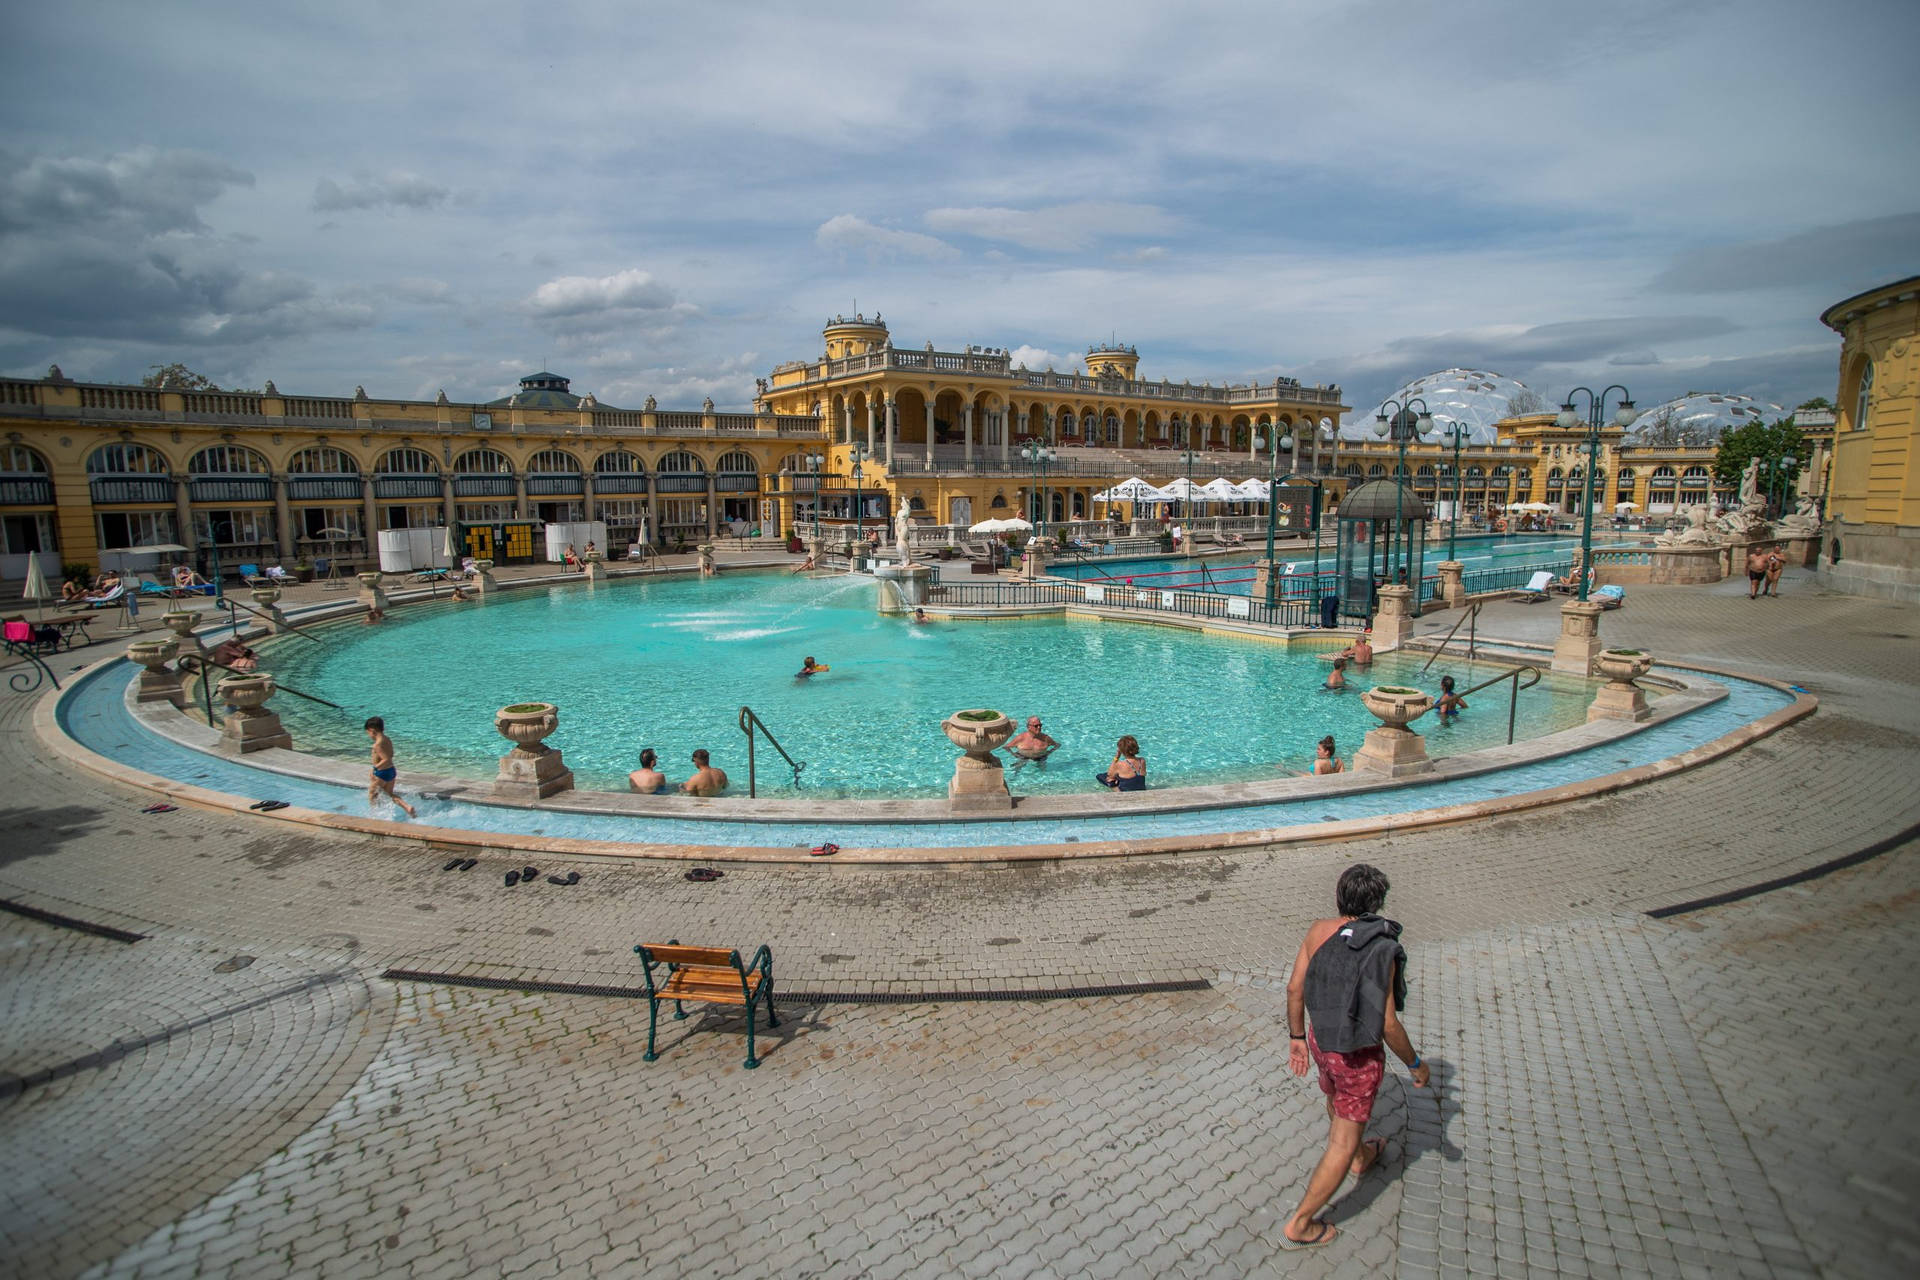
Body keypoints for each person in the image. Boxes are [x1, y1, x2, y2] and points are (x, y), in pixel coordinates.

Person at [1283, 863, 1429, 1248]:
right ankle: (1301, 1223)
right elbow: (1388, 1024)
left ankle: (1363, 1157)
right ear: (1377, 904)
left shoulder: (1317, 931)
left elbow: (1294, 989)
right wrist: (1415, 1064)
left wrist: (1297, 1037)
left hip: (1320, 1041)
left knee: (1335, 1098)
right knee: (1341, 1143)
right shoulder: (1382, 948)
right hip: (1356, 1057)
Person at [364, 716, 417, 817]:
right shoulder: (387, 739)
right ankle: (407, 807)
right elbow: (391, 754)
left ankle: (373, 815)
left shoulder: (377, 745)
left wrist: (374, 769)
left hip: (381, 773)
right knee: (389, 794)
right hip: (391, 770)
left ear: (372, 730)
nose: (369, 735)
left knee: (372, 794)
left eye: (368, 733)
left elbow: (386, 758)